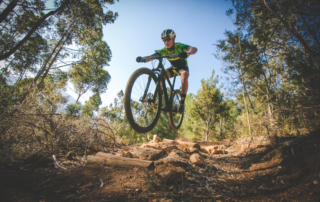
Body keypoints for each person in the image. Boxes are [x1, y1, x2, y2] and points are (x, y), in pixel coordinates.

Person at [136, 29, 197, 113]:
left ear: (173, 39)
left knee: (184, 75)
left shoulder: (179, 46)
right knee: (161, 77)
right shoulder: (164, 50)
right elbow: (151, 56)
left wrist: (187, 53)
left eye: (168, 39)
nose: (166, 42)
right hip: (173, 68)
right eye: (164, 40)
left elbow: (194, 49)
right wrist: (143, 59)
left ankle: (182, 103)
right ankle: (159, 100)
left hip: (182, 68)